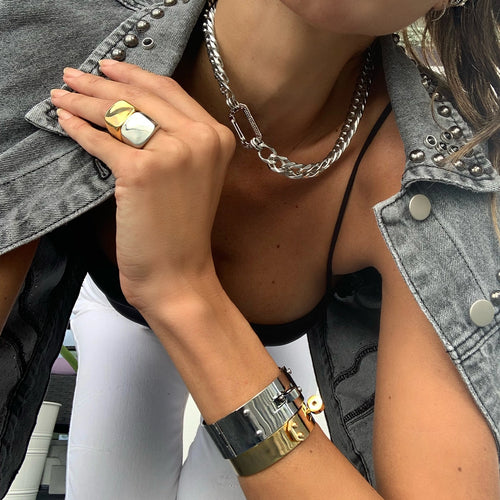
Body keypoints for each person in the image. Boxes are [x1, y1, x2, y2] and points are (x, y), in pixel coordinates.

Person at [0, 0, 499, 498]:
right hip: (114, 310)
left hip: (274, 348)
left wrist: (184, 293)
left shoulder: (450, 178)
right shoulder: (50, 31)